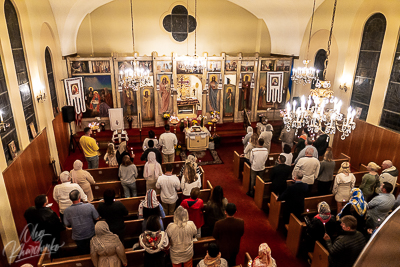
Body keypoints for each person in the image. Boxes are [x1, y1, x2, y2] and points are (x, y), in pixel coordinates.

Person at [64, 189, 100, 255]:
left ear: (70, 199)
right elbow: (97, 217)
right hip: (90, 233)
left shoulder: (67, 210)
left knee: (82, 252)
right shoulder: (89, 206)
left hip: (78, 236)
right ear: (79, 197)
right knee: (93, 250)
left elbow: (67, 223)